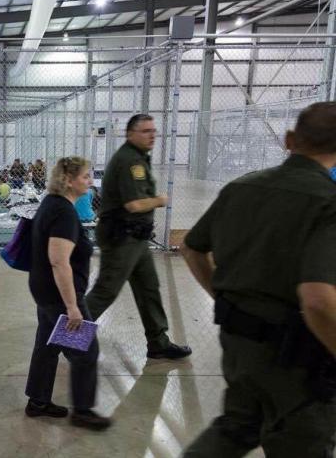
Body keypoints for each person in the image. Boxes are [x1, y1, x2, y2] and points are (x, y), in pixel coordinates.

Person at [180, 102, 336, 457]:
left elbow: (191, 248)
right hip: (299, 358)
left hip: (239, 342)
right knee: (300, 441)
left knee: (237, 426)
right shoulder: (329, 202)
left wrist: (222, 298)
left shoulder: (242, 187)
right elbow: (317, 298)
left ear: (289, 139)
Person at [85, 114, 191, 360]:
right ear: (131, 134)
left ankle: (158, 343)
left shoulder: (138, 159)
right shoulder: (129, 161)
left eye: (154, 130)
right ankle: (66, 340)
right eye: (145, 131)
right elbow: (134, 204)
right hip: (122, 239)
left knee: (148, 289)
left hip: (137, 240)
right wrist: (160, 200)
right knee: (105, 291)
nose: (152, 135)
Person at [26, 156, 112, 430]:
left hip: (44, 290)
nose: (90, 181)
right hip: (60, 295)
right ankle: (83, 411)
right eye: (86, 176)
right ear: (69, 180)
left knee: (48, 345)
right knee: (86, 350)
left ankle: (38, 401)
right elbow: (58, 261)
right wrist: (72, 306)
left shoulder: (52, 204)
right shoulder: (63, 212)